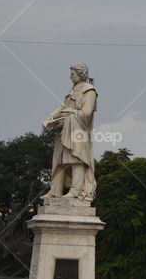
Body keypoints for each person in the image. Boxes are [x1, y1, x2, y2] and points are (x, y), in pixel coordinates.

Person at [42, 62, 97, 202]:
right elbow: (63, 106)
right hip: (64, 129)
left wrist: (71, 113)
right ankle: (55, 190)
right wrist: (50, 118)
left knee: (76, 159)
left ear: (81, 73)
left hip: (78, 130)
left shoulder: (89, 90)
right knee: (59, 160)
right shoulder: (73, 89)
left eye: (73, 74)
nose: (70, 76)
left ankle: (75, 191)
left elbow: (87, 112)